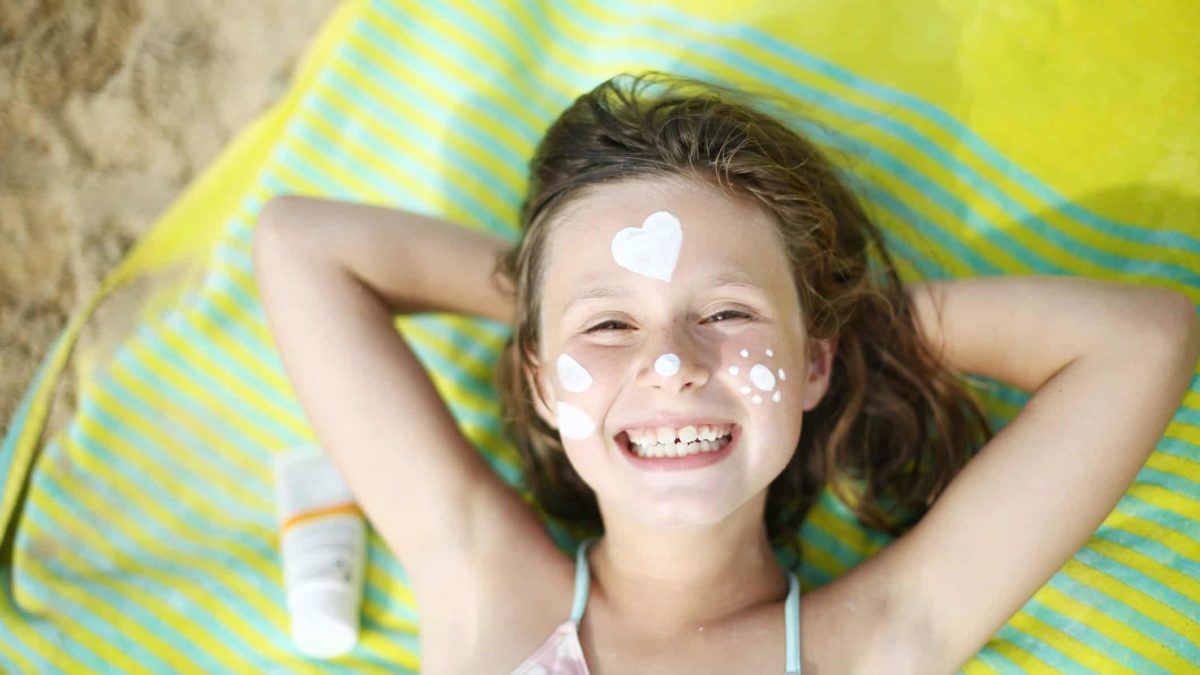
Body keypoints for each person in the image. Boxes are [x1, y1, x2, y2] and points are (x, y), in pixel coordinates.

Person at [252, 72, 1199, 674]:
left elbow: (1145, 339)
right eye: (612, 323)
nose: (671, 363)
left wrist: (812, 322)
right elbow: (299, 243)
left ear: (815, 363)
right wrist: (565, 310)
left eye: (726, 314)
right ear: (540, 381)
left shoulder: (878, 640)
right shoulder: (481, 580)